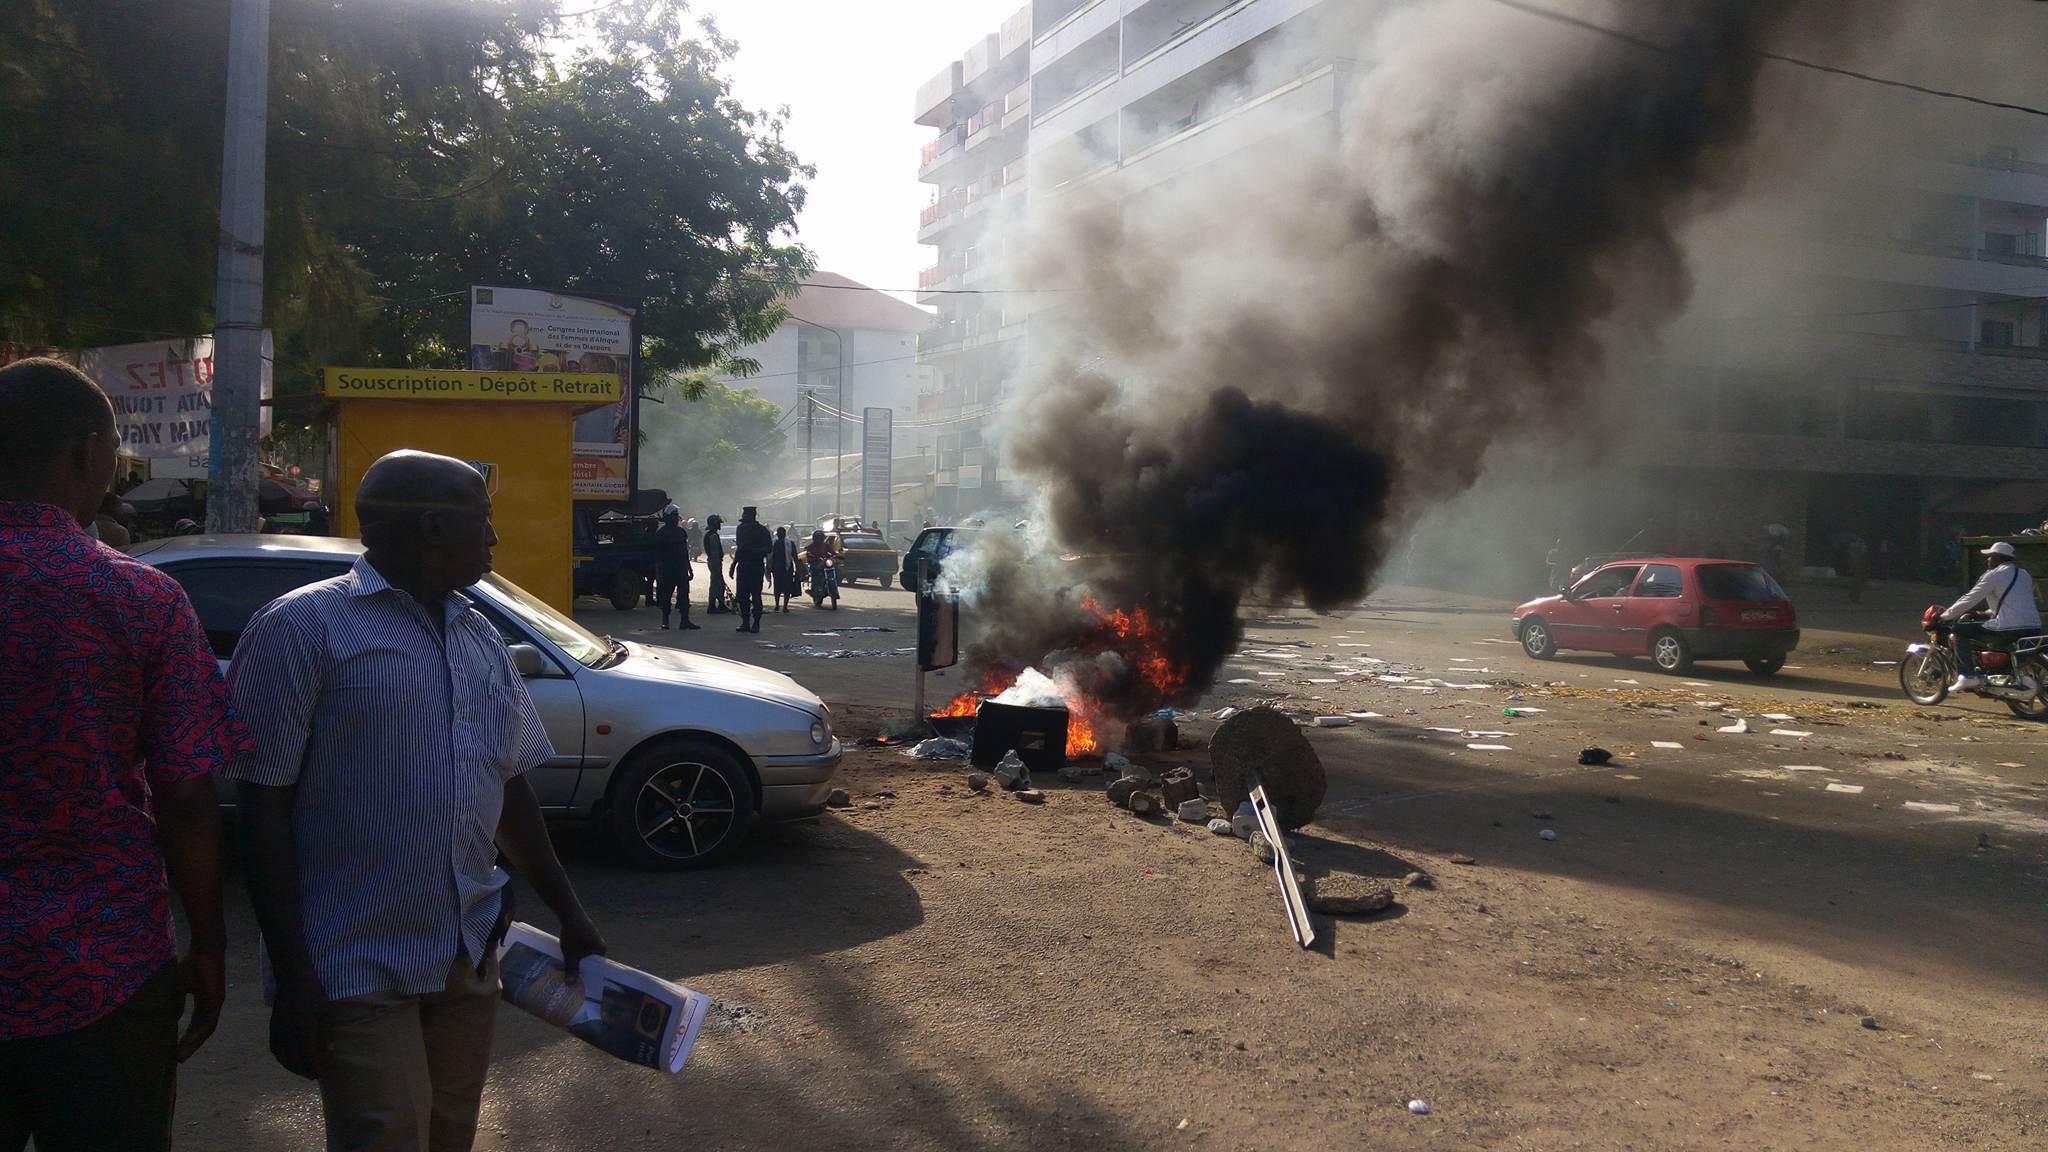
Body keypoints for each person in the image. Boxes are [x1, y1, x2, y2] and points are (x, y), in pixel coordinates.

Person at [225, 449, 608, 1152]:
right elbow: (262, 813)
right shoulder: (302, 628)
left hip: (466, 950)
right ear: (433, 527)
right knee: (385, 1139)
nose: (494, 537)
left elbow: (508, 783)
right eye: (482, 519)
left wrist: (570, 912)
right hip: (353, 963)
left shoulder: (478, 633)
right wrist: (294, 978)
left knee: (448, 1136)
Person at [0, 358, 250, 1150]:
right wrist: (207, 943)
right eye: (114, 446)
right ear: (85, 452)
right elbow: (186, 795)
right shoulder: (138, 599)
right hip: (102, 972)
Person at [1940, 540, 2042, 693]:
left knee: (1959, 630)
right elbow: (2014, 603)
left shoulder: (1994, 575)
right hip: (2034, 627)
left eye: (1990, 556)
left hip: (2009, 627)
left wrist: (1945, 616)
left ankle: (1967, 676)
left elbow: (1970, 598)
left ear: (1997, 558)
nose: (1988, 560)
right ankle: (1999, 675)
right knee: (1993, 633)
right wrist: (1984, 613)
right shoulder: (2024, 574)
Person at [653, 506, 697, 630]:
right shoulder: (661, 534)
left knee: (684, 596)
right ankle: (665, 621)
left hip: (681, 569)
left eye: (676, 515)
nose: (676, 518)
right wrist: (658, 572)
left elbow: (684, 552)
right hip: (667, 569)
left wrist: (689, 569)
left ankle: (685, 620)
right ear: (668, 518)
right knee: (666, 596)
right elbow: (657, 555)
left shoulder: (680, 532)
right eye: (674, 516)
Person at [731, 506, 772, 633]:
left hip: (756, 566)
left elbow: (768, 548)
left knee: (756, 596)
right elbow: (739, 549)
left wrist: (753, 551)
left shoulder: (762, 530)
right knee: (742, 596)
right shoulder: (740, 529)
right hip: (743, 566)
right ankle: (745, 622)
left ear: (753, 516)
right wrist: (733, 565)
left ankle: (756, 623)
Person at [803, 528, 840, 608]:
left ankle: (834, 587)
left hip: (825, 563)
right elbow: (807, 551)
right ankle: (814, 591)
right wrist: (811, 555)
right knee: (815, 574)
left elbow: (833, 552)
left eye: (820, 538)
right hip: (815, 564)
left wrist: (836, 556)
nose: (819, 539)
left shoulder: (826, 545)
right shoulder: (811, 546)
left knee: (835, 568)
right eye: (818, 538)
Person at [770, 525, 800, 613]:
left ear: (777, 534)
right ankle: (785, 607)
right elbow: (795, 557)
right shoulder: (790, 543)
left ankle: (777, 605)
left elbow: (770, 557)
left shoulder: (774, 543)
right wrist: (797, 567)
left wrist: (769, 568)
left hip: (777, 568)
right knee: (787, 587)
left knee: (777, 587)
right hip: (787, 568)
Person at [702, 513, 728, 614]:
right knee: (716, 584)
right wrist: (717, 567)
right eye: (718, 523)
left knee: (718, 584)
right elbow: (715, 552)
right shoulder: (713, 536)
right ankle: (712, 606)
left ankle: (720, 605)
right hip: (715, 561)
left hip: (713, 561)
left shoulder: (710, 535)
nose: (719, 525)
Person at [1846, 536, 1870, 605]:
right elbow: (1861, 554)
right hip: (1858, 564)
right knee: (1859, 581)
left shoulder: (1854, 545)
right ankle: (1855, 597)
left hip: (1859, 564)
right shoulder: (1857, 545)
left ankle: (1854, 595)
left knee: (1860, 581)